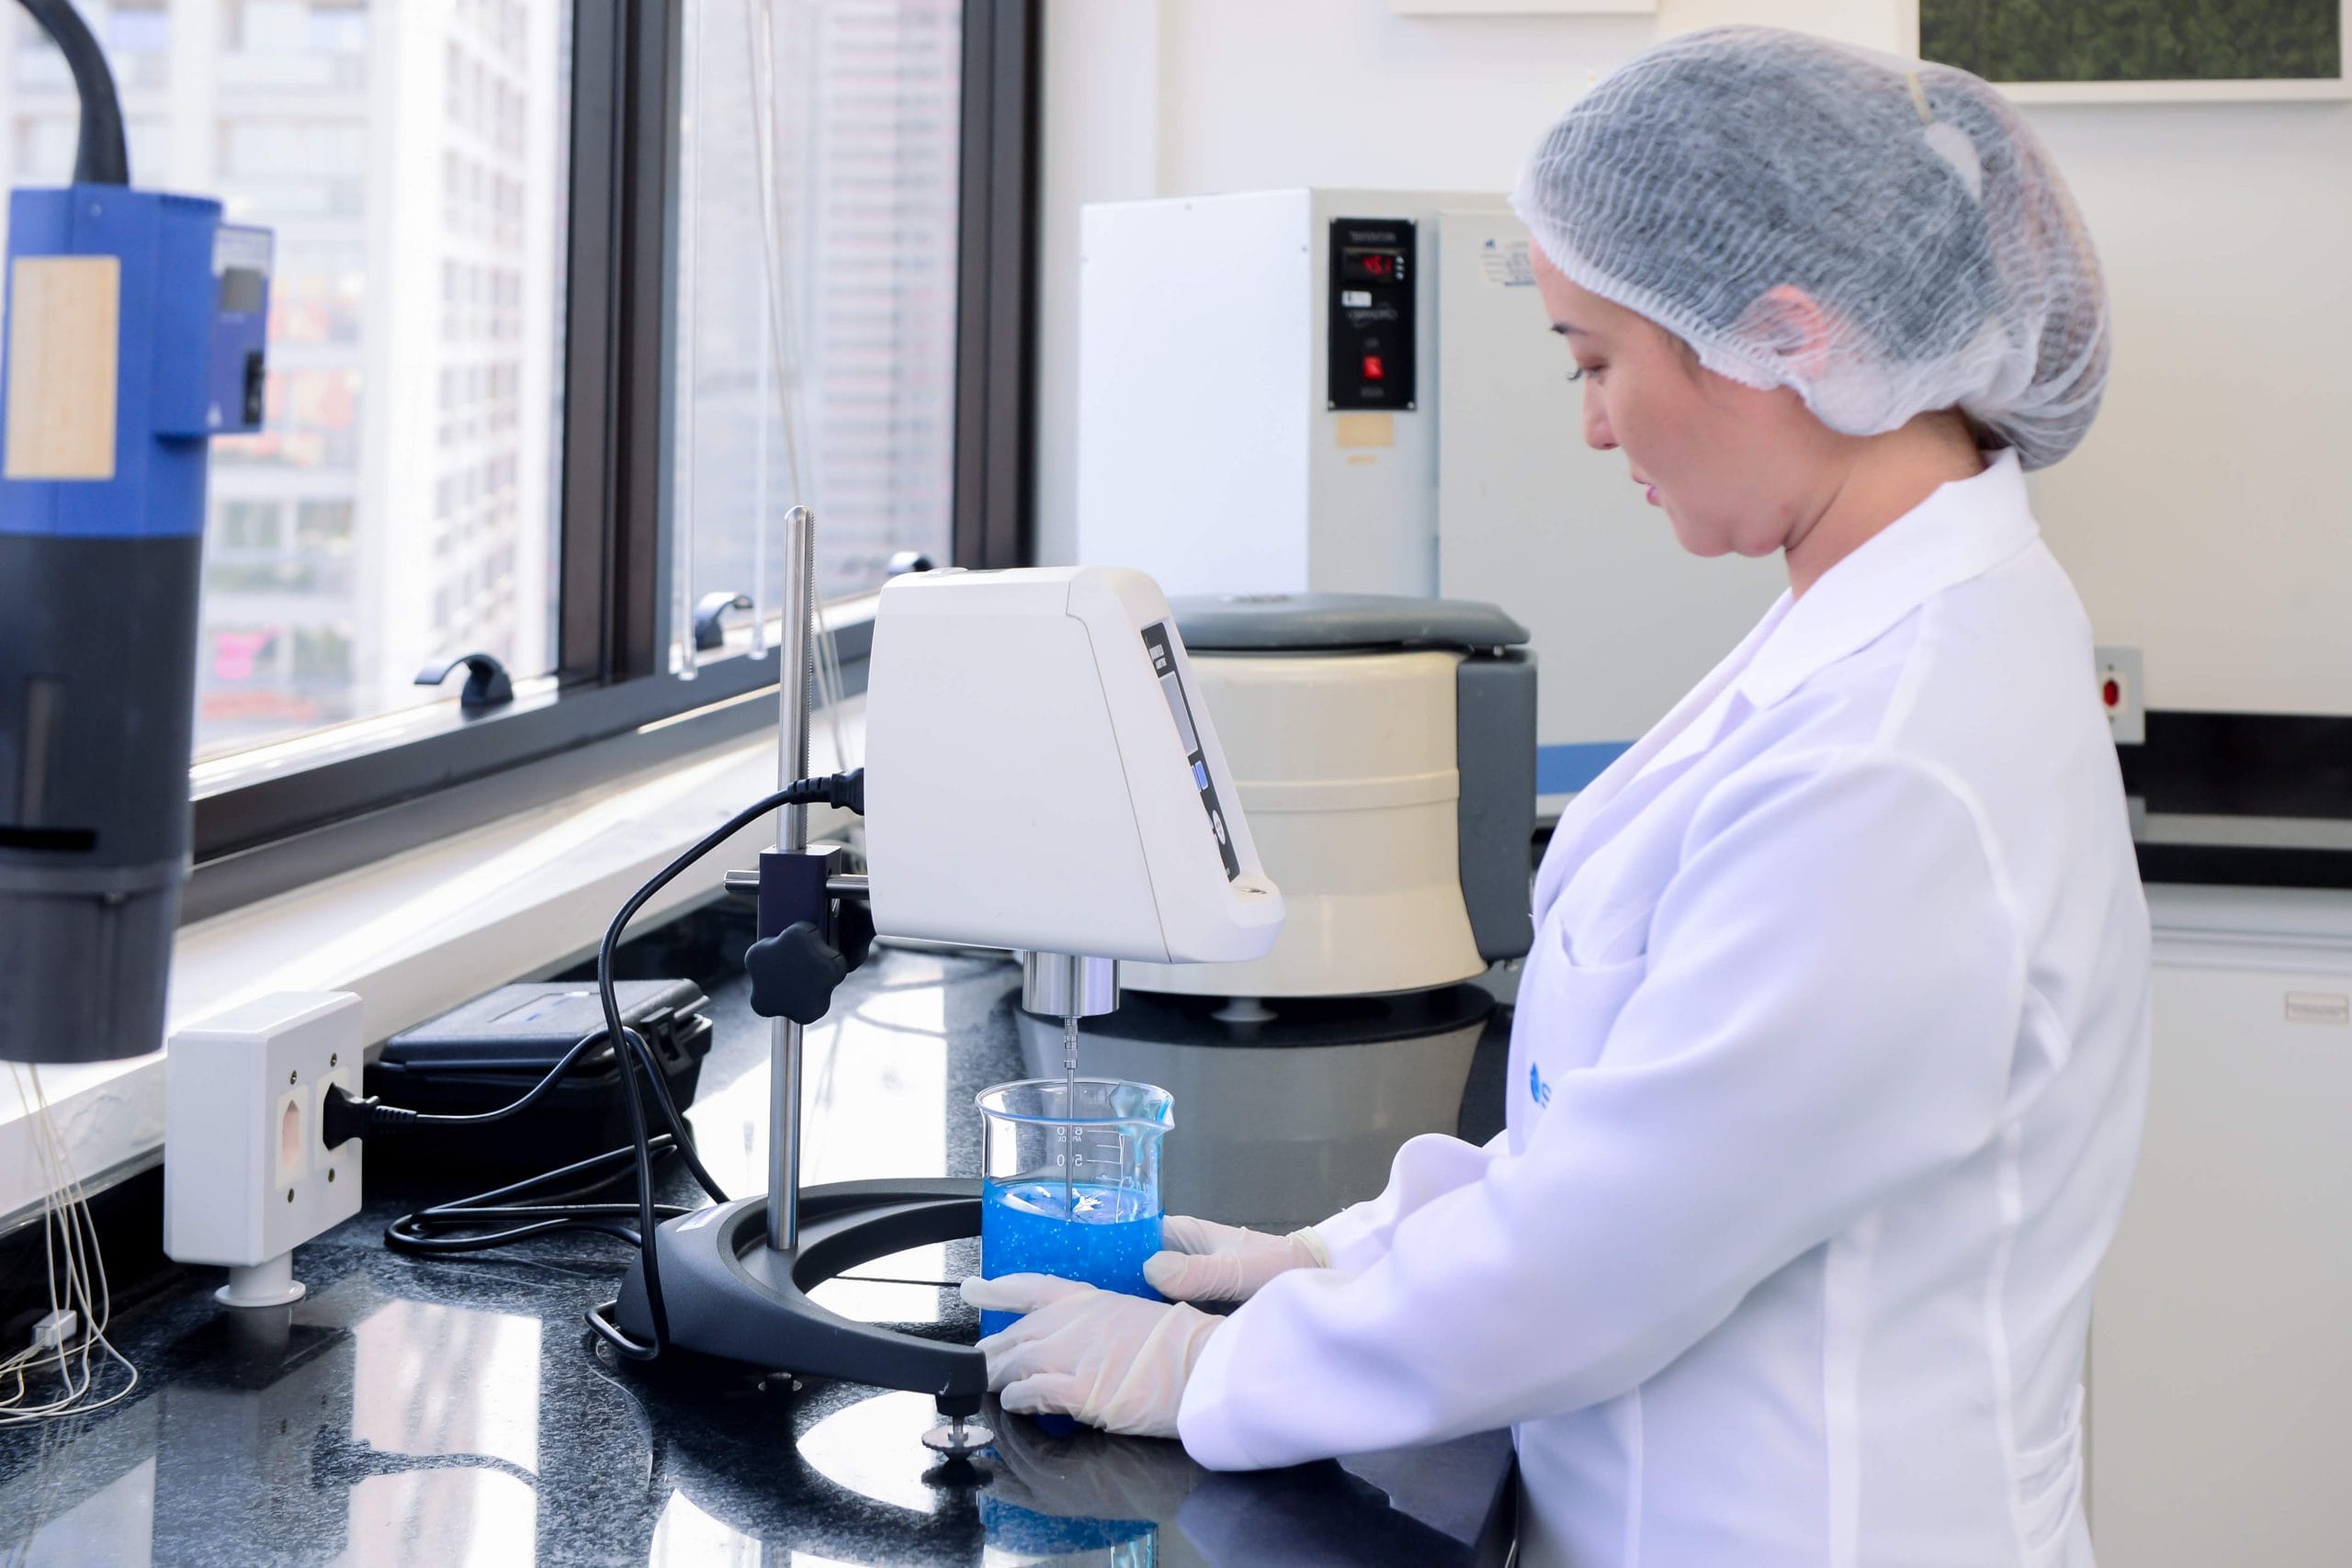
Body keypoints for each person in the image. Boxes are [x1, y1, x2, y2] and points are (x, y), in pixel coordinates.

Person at [963, 26, 2149, 1566]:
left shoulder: (1899, 759)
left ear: (1783, 338)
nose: (1591, 424)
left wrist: (1216, 1373)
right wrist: (1343, 1250)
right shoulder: (1865, 627)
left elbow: (1618, 1244)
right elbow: (1634, 1120)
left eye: (1596, 361)